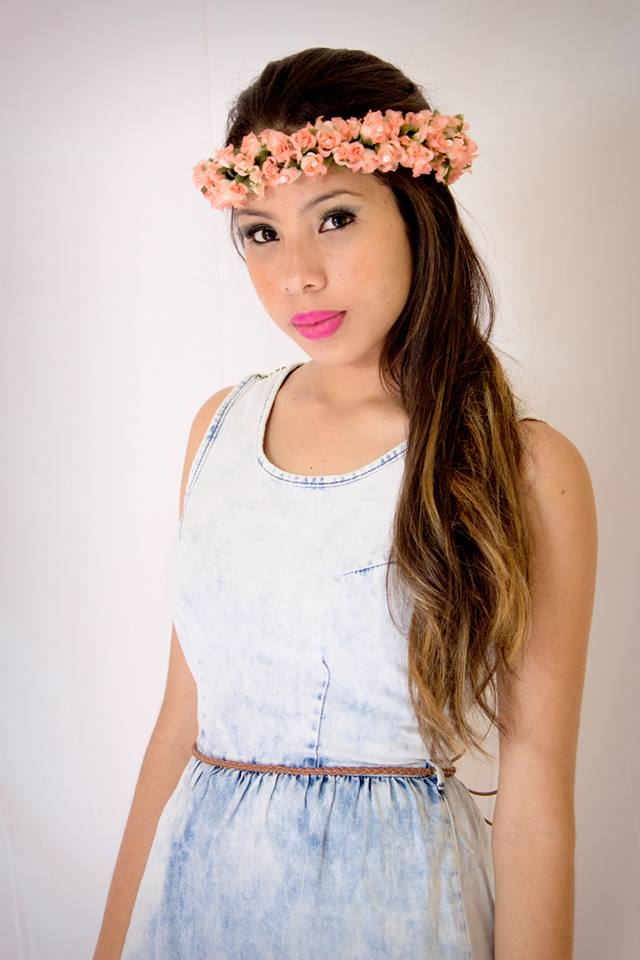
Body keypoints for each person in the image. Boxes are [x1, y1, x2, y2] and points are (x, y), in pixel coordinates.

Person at [93, 47, 597, 960]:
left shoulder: (522, 467)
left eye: (335, 218)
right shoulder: (219, 429)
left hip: (400, 917)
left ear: (415, 213)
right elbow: (177, 728)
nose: (297, 276)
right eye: (260, 233)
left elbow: (534, 805)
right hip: (196, 905)